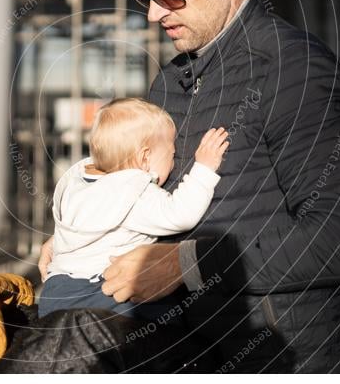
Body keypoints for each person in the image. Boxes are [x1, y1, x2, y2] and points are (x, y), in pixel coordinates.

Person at [40, 0, 340, 373]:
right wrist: (88, 236)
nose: (155, 13)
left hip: (285, 361)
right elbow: (143, 192)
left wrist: (188, 267)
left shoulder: (293, 69)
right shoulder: (171, 80)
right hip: (191, 352)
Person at [38, 98, 228, 320]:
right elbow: (180, 214)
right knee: (168, 322)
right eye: (172, 155)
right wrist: (204, 168)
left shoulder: (78, 183)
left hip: (54, 293)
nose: (174, 164)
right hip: (98, 292)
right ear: (144, 157)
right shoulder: (133, 191)